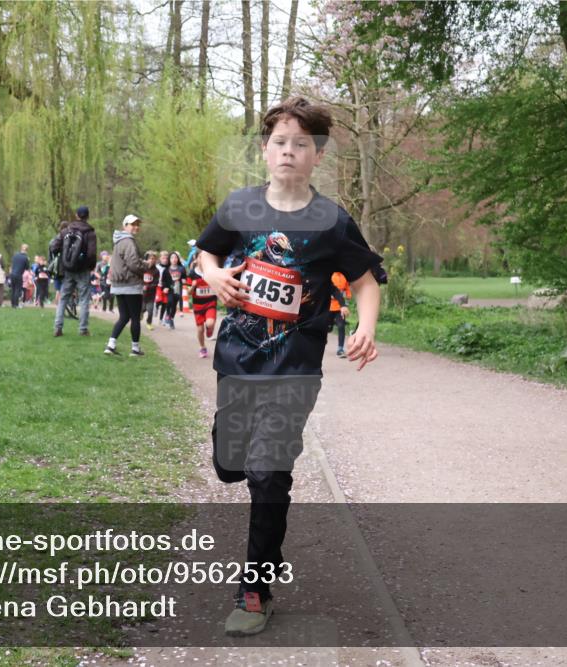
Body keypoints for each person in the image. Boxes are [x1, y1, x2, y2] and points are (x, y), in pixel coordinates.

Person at [195, 97, 381, 636]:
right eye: (280, 141)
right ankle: (244, 483)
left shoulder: (331, 220)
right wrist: (212, 277)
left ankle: (254, 590)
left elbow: (365, 280)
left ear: (317, 154)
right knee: (232, 464)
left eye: (302, 144)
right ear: (264, 149)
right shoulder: (239, 207)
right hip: (237, 358)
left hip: (296, 366)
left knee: (268, 472)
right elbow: (206, 253)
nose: (289, 151)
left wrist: (366, 325)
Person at [104, 214, 153, 356]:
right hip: (130, 285)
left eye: (138, 224)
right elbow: (133, 264)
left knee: (124, 317)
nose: (136, 227)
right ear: (125, 226)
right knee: (135, 317)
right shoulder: (128, 241)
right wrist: (146, 266)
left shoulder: (118, 241)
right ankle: (135, 349)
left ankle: (110, 345)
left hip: (118, 285)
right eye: (133, 224)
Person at [51, 206, 97, 336]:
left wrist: (64, 258)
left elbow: (53, 246)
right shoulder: (90, 232)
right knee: (84, 299)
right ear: (87, 216)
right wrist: (90, 266)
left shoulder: (66, 231)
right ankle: (83, 329)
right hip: (83, 270)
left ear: (76, 215)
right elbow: (92, 253)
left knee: (63, 298)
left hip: (68, 269)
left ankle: (58, 327)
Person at [187, 259, 217, 358]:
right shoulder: (192, 274)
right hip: (198, 306)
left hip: (210, 303)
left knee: (210, 323)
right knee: (200, 329)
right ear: (196, 259)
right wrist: (193, 286)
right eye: (200, 257)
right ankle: (202, 347)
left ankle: (209, 329)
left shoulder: (212, 271)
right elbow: (188, 293)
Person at [328, 271, 351, 357]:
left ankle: (340, 349)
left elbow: (348, 293)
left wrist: (345, 305)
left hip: (340, 308)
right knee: (327, 328)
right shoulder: (329, 275)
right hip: (328, 307)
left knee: (341, 326)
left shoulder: (344, 277)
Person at [165, 251, 186, 328]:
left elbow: (184, 277)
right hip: (170, 289)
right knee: (169, 301)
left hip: (178, 288)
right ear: (169, 259)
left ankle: (171, 319)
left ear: (178, 259)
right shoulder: (167, 269)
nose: (174, 259)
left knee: (174, 306)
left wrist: (184, 280)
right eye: (172, 257)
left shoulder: (181, 268)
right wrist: (165, 287)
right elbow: (164, 280)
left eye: (176, 257)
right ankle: (167, 314)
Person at [141, 251, 159, 330]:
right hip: (142, 295)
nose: (151, 260)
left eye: (153, 259)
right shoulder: (142, 269)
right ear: (146, 259)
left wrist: (148, 286)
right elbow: (138, 279)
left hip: (151, 295)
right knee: (142, 309)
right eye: (150, 259)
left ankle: (149, 323)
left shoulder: (156, 271)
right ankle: (140, 315)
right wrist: (142, 286)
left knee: (150, 310)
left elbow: (156, 282)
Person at [9, 243, 30, 308]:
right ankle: (16, 304)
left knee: (13, 289)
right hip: (19, 275)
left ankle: (12, 304)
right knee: (17, 290)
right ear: (27, 250)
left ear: (21, 248)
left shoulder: (15, 255)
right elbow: (27, 268)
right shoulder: (25, 258)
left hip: (12, 274)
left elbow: (12, 264)